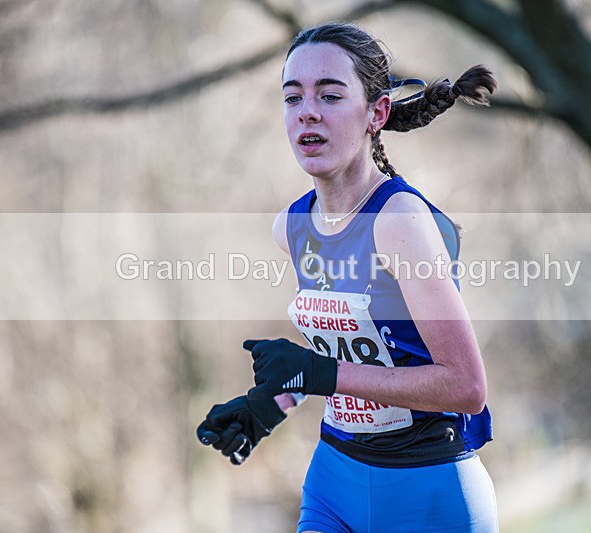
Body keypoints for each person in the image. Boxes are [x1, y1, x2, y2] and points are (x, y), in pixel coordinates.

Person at [197, 21, 498, 533]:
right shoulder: (291, 227)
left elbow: (466, 387)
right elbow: (347, 349)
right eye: (293, 98)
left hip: (427, 492)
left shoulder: (399, 221)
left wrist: (319, 374)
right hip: (335, 478)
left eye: (330, 95)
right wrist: (268, 405)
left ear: (376, 113)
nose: (307, 111)